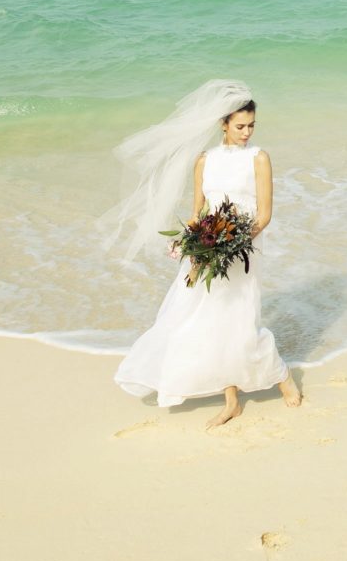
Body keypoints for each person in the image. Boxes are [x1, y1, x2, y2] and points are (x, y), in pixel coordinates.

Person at [109, 80, 304, 428]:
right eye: (240, 126)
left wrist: (233, 245)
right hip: (208, 251)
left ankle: (282, 377)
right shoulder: (205, 161)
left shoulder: (258, 159)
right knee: (213, 320)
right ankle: (231, 399)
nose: (246, 133)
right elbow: (198, 210)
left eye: (252, 126)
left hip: (243, 251)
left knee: (243, 319)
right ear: (224, 124)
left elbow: (264, 215)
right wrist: (192, 243)